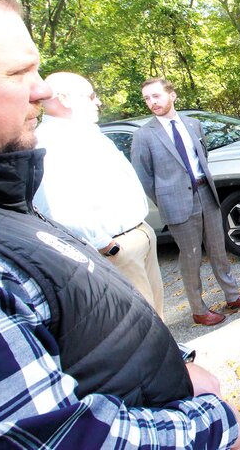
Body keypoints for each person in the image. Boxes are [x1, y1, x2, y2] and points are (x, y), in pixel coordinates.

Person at [0, 0, 240, 447]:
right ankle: (201, 306)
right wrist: (213, 422)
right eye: (18, 73)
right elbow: (56, 435)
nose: (41, 91)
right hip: (120, 241)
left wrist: (174, 361)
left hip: (143, 228)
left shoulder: (7, 197)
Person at [33, 71, 165, 318]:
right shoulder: (50, 142)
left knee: (157, 316)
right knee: (142, 325)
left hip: (138, 234)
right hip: (116, 248)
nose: (98, 102)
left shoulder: (85, 132)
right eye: (91, 95)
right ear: (65, 98)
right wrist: (106, 245)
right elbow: (58, 208)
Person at [130, 78, 240, 326]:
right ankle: (199, 310)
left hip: (205, 193)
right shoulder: (144, 136)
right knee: (190, 257)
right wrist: (166, 200)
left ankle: (232, 296)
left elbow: (203, 157)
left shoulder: (193, 124)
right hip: (177, 204)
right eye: (147, 98)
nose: (151, 102)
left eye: (156, 96)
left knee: (219, 251)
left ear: (172, 95)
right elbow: (144, 177)